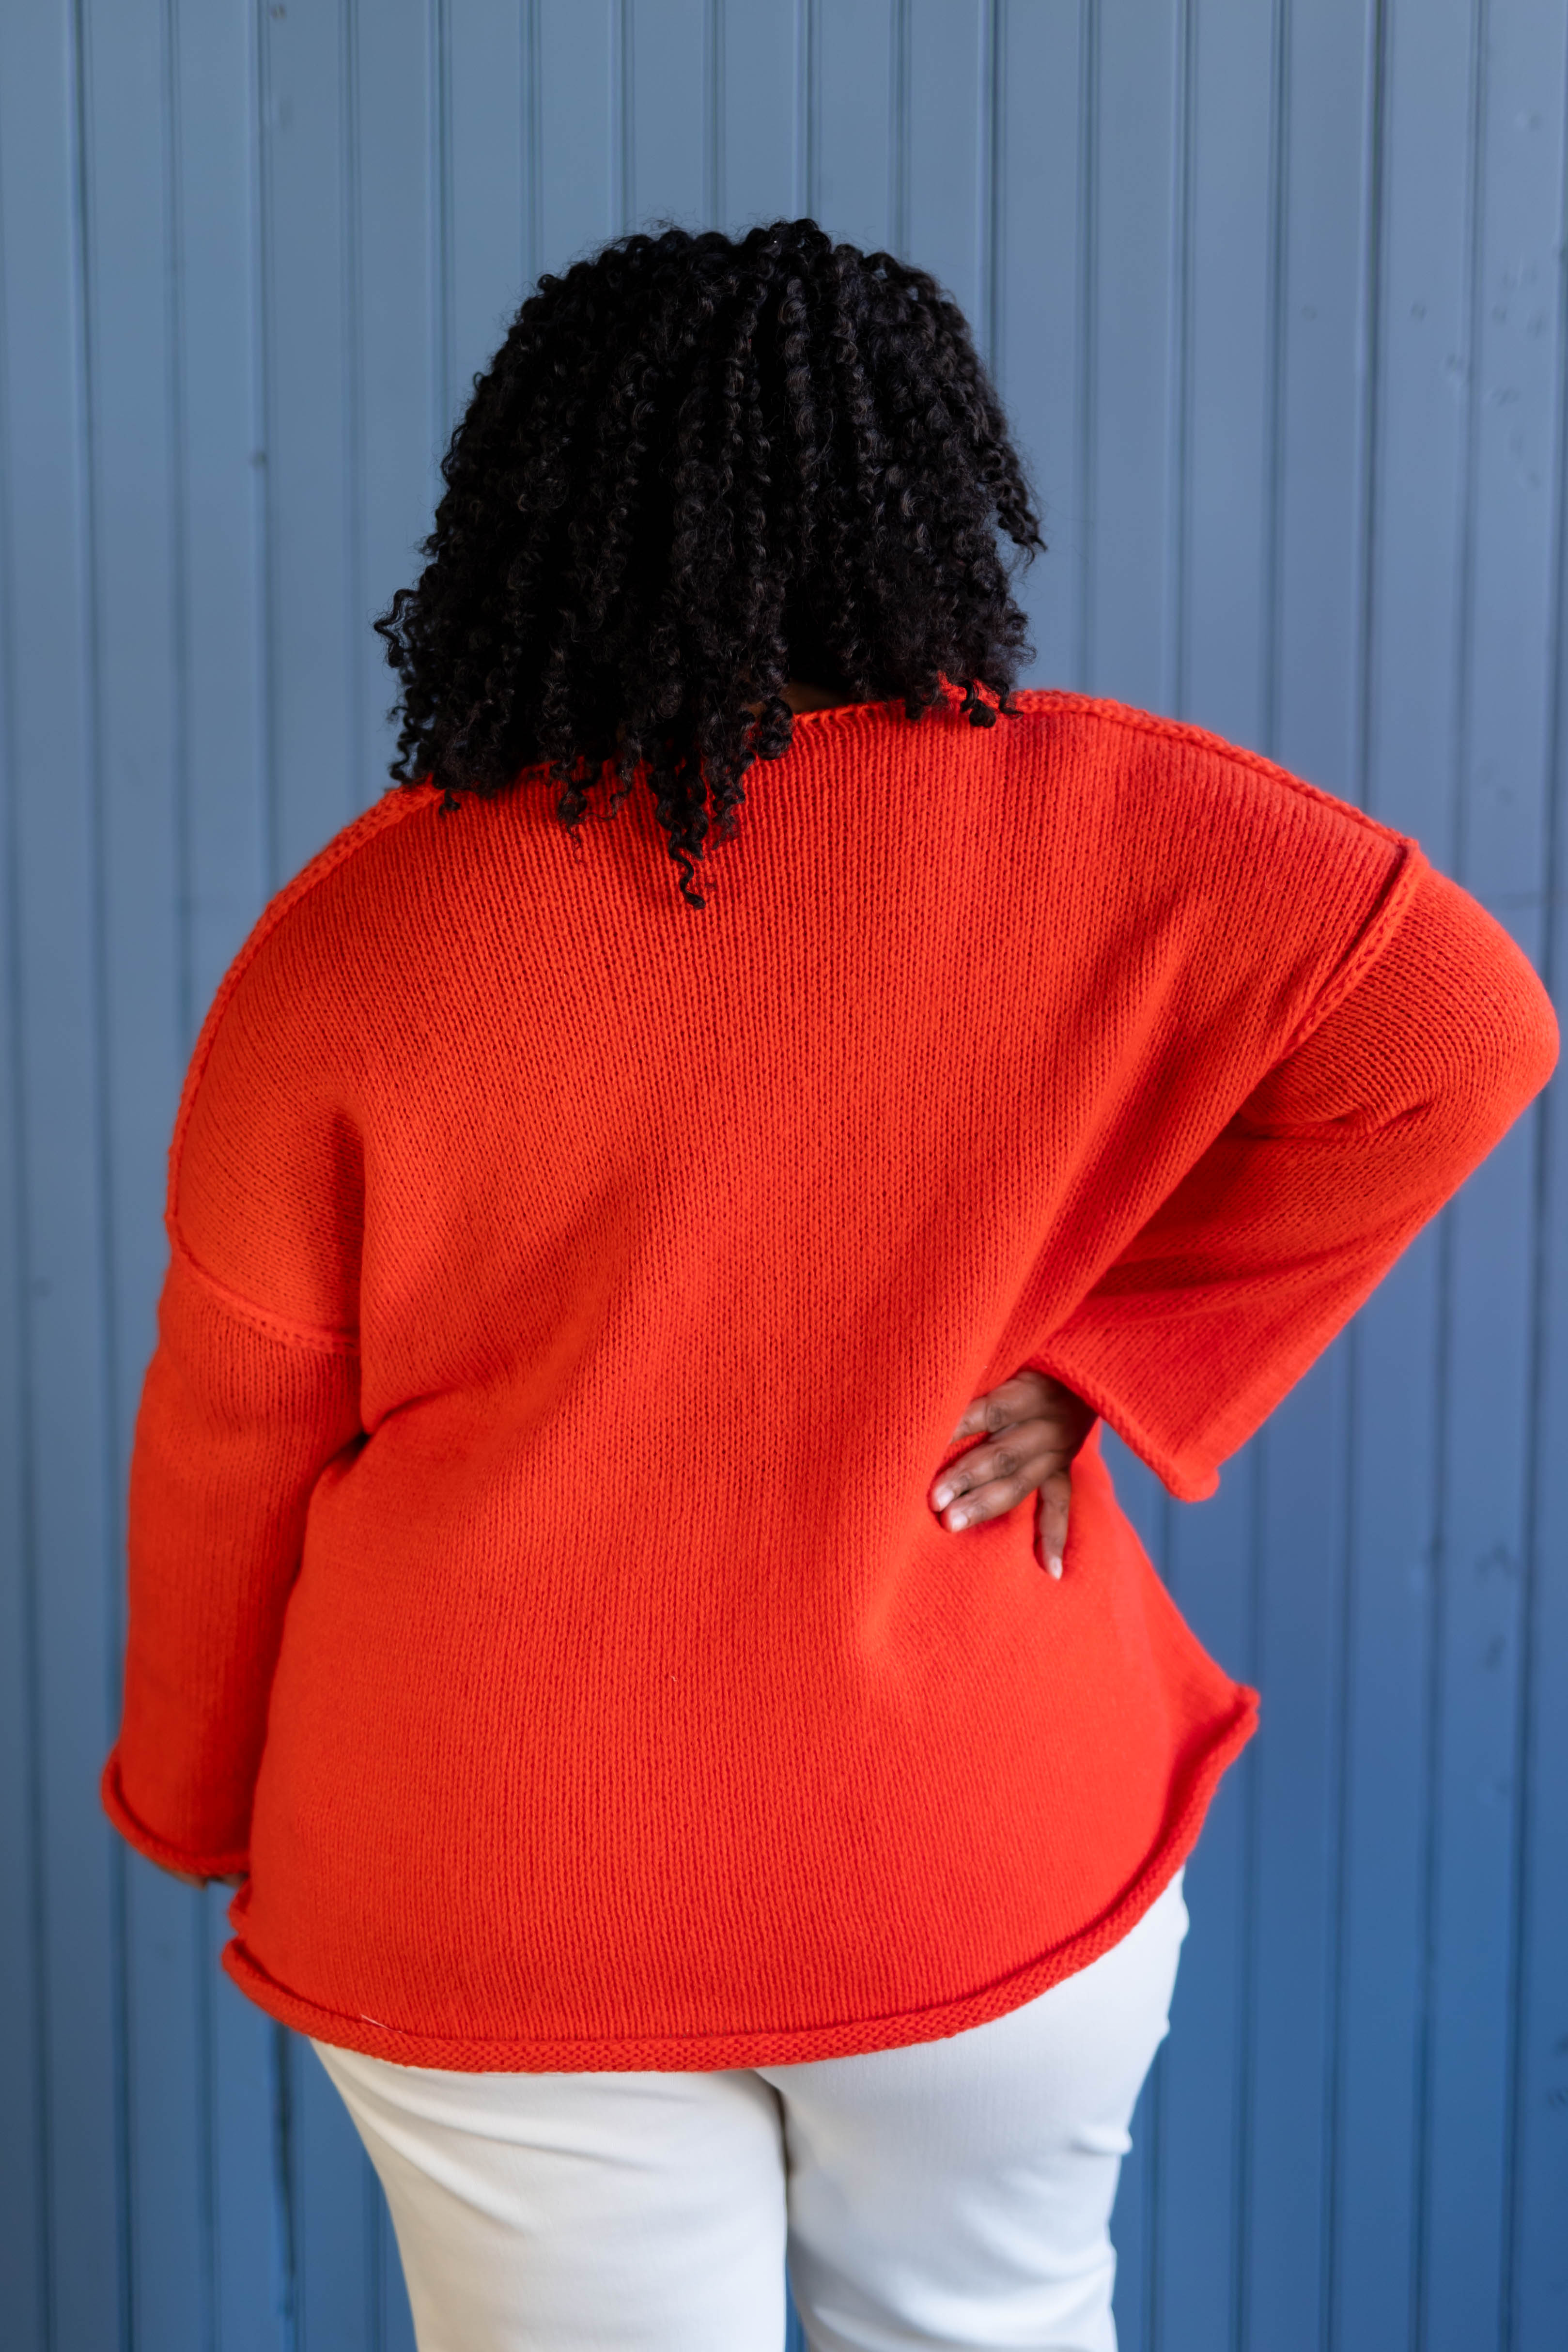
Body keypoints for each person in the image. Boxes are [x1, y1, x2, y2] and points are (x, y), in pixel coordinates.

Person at [102, 218, 1557, 2352]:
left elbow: (233, 1436)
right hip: (980, 1837)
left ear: (532, 517)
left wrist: (193, 1787)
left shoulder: (358, 943)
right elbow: (1468, 1027)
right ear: (931, 496)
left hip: (496, 1868)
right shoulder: (1132, 827)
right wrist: (1124, 1354)